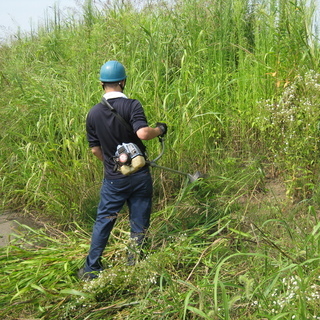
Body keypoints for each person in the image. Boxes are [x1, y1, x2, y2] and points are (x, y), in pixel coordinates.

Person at [79, 60, 167, 280]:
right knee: (139, 220)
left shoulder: (93, 114)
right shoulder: (132, 105)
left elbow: (95, 150)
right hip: (139, 176)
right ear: (123, 82)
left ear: (102, 83)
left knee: (105, 220)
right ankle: (135, 264)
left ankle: (91, 269)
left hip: (113, 179)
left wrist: (112, 164)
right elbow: (143, 134)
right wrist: (160, 129)